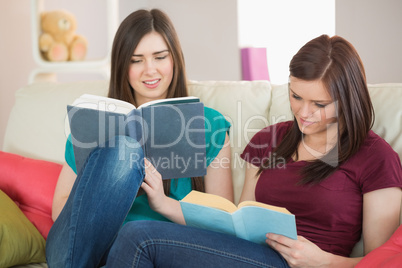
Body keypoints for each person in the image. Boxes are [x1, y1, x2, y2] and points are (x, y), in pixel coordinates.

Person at [105, 34, 402, 268]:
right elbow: (235, 221)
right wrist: (163, 203)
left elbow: (382, 261)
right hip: (245, 255)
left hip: (302, 265)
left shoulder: (376, 158)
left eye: (319, 105)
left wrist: (323, 262)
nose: (303, 112)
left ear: (349, 99)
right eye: (296, 96)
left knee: (138, 238)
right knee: (136, 234)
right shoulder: (269, 139)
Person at [46, 9, 233, 268]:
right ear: (123, 65)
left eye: (159, 57)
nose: (150, 70)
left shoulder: (209, 125)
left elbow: (223, 219)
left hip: (155, 250)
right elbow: (60, 210)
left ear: (174, 60)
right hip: (86, 247)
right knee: (122, 145)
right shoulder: (93, 123)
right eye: (136, 60)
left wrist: (163, 204)